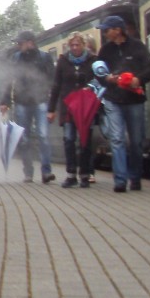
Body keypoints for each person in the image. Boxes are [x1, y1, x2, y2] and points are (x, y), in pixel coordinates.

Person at [96, 14, 150, 192]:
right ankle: (120, 180)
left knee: (136, 141)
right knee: (117, 139)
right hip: (113, 99)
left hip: (134, 100)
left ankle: (135, 177)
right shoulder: (105, 51)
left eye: (107, 30)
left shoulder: (137, 46)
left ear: (118, 30)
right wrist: (107, 78)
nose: (105, 33)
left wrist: (139, 80)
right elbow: (98, 73)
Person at [0, 30, 56, 183]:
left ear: (30, 42)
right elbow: (9, 80)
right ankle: (28, 172)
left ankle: (46, 172)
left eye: (20, 43)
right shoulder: (16, 59)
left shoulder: (44, 58)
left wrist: (47, 95)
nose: (18, 46)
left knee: (43, 136)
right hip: (22, 102)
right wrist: (4, 101)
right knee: (24, 139)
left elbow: (51, 78)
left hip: (40, 100)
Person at [48, 33, 99, 188]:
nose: (75, 48)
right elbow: (56, 85)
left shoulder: (92, 61)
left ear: (84, 45)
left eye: (78, 45)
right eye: (72, 45)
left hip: (85, 107)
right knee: (69, 140)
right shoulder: (63, 61)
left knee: (85, 142)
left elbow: (99, 81)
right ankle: (71, 174)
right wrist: (51, 109)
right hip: (68, 107)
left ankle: (84, 174)